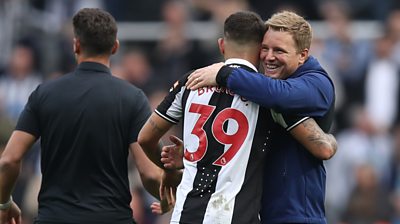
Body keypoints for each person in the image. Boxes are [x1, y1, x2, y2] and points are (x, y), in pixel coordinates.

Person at [138, 11, 336, 224]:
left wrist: (224, 74)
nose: (269, 57)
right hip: (253, 213)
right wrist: (189, 159)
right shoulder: (259, 94)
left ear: (303, 55)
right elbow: (322, 146)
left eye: (279, 50)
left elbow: (145, 138)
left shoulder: (311, 85)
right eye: (265, 49)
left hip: (295, 214)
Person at [0, 8, 170, 224]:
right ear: (115, 47)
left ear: (76, 45)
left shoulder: (44, 94)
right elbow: (149, 173)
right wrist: (167, 197)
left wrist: (4, 202)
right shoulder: (132, 98)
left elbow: (9, 159)